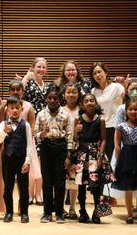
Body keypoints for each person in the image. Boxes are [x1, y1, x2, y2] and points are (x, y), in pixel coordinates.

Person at [0, 79, 41, 206]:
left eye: (18, 89)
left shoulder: (28, 105)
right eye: (13, 89)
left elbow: (32, 124)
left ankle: (22, 208)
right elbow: (0, 122)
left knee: (23, 181)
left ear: (23, 91)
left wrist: (29, 136)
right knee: (8, 180)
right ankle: (9, 209)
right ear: (9, 91)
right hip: (8, 143)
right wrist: (1, 109)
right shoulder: (6, 105)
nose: (16, 92)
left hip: (24, 141)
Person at [35, 84, 73, 223]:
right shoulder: (40, 114)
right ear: (46, 99)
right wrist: (42, 134)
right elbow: (36, 134)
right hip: (46, 147)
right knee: (47, 182)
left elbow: (69, 135)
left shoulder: (65, 114)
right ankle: (47, 213)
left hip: (60, 147)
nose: (52, 100)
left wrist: (68, 155)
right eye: (49, 98)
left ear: (59, 99)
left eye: (55, 98)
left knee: (59, 182)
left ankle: (59, 213)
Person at [74, 93, 108, 224]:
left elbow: (104, 139)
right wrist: (76, 131)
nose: (89, 103)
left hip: (95, 153)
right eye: (86, 101)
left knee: (96, 185)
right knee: (81, 184)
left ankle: (97, 212)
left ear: (96, 103)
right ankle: (82, 211)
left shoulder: (101, 119)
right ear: (82, 104)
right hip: (82, 154)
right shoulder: (78, 119)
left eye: (92, 100)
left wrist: (100, 155)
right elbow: (75, 139)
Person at [1, 97, 34, 223]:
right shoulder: (3, 124)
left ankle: (24, 213)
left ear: (21, 109)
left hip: (21, 159)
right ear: (7, 110)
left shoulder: (25, 125)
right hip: (7, 159)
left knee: (23, 187)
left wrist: (28, 161)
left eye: (17, 108)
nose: (14, 110)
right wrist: (4, 132)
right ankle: (9, 212)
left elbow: (29, 144)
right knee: (8, 187)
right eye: (12, 108)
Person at [90, 62, 124, 162]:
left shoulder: (117, 86)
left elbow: (127, 98)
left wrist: (126, 87)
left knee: (115, 158)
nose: (97, 75)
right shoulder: (93, 91)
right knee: (103, 159)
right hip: (100, 127)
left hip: (115, 126)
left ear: (106, 72)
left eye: (99, 72)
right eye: (94, 73)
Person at [60, 82, 81, 220]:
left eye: (74, 92)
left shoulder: (82, 110)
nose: (71, 94)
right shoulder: (60, 110)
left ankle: (73, 208)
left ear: (78, 94)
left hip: (78, 149)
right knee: (61, 180)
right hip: (61, 149)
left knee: (74, 181)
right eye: (68, 92)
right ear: (63, 94)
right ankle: (60, 208)